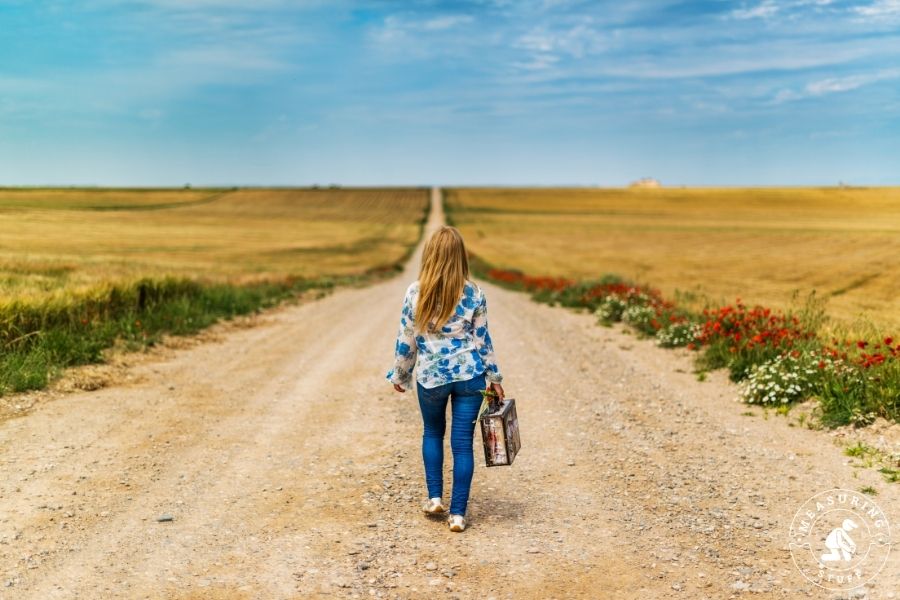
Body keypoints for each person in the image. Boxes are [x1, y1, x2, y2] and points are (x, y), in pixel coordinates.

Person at [386, 225, 505, 533]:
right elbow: (483, 340)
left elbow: (406, 339)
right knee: (463, 445)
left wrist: (401, 373)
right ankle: (458, 515)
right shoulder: (474, 293)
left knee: (432, 433)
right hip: (470, 377)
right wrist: (494, 376)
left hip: (431, 378)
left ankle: (435, 497)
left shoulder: (416, 292)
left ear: (430, 255)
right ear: (460, 257)